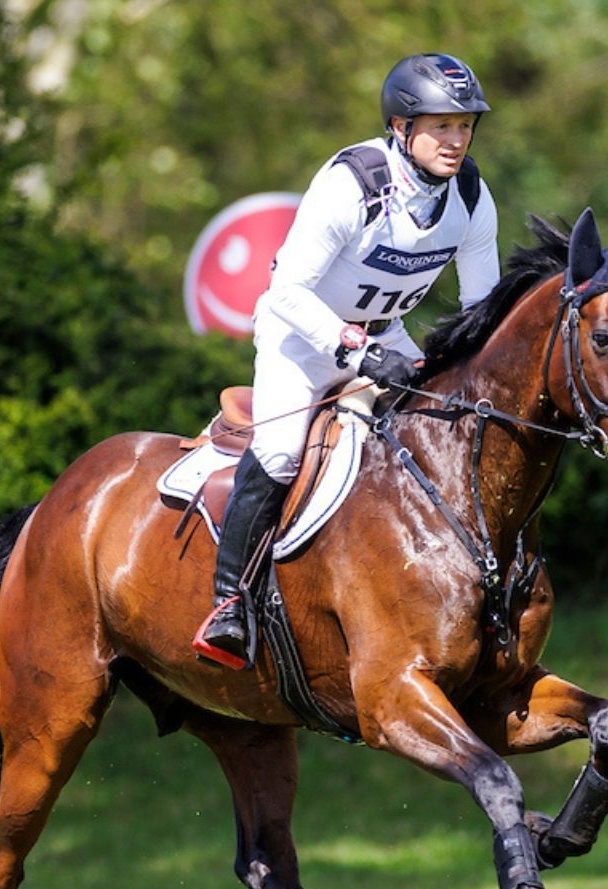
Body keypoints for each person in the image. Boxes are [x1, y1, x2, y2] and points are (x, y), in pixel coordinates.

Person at [192, 52, 502, 669]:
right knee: (281, 452)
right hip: (300, 340)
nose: (457, 139)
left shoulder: (470, 194)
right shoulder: (352, 183)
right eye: (441, 126)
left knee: (458, 424)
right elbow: (285, 292)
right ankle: (230, 604)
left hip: (388, 338)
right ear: (400, 127)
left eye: (464, 125)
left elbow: (481, 309)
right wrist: (356, 349)